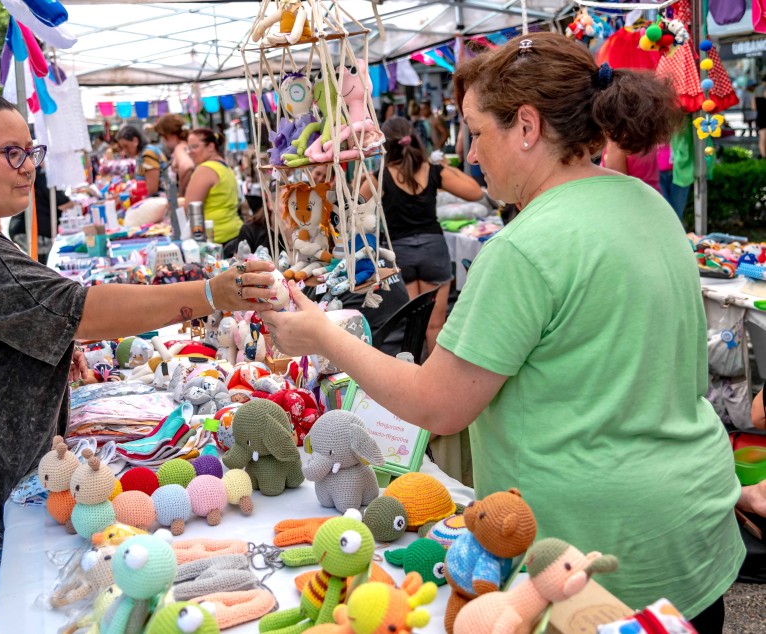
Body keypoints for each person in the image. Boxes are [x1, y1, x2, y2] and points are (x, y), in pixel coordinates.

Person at [262, 33, 743, 630]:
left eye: (475, 130)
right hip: (689, 528)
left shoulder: (525, 248)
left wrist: (323, 335)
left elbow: (439, 406)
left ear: (526, 126)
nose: (468, 153)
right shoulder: (648, 205)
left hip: (589, 561)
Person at [0, 88, 276, 634]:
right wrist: (212, 294)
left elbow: (3, 329)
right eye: (11, 153)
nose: (29, 169)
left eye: (32, 151)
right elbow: (81, 310)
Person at [360, 116, 482, 356]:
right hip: (434, 251)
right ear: (414, 139)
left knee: (407, 327)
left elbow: (353, 211)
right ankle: (438, 381)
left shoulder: (378, 178)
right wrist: (444, 168)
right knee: (436, 326)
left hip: (398, 256)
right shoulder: (434, 171)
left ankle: (409, 377)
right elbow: (476, 192)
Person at [184, 128, 242, 246]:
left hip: (215, 239)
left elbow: (190, 207)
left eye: (194, 147)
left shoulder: (205, 169)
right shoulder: (224, 167)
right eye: (188, 148)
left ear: (210, 147)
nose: (190, 152)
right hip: (234, 232)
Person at [7, 164, 71, 264]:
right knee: (43, 265)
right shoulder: (41, 175)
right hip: (30, 230)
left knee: (41, 264)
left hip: (24, 227)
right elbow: (63, 203)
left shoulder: (37, 174)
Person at [116, 124, 168, 197]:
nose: (124, 151)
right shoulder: (141, 156)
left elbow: (151, 189)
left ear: (135, 141)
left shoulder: (148, 154)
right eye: (122, 148)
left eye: (126, 146)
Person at [154, 114, 194, 194]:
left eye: (164, 137)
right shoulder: (187, 145)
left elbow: (187, 166)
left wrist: (181, 193)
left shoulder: (180, 148)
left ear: (168, 135)